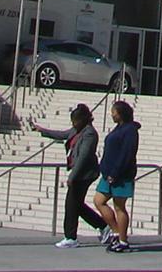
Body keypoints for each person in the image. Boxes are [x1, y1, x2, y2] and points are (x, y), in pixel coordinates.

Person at [31, 103, 105, 248]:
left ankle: (71, 237)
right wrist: (42, 130)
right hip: (79, 173)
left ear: (83, 119)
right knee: (76, 204)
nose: (73, 124)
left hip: (85, 174)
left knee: (71, 205)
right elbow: (62, 134)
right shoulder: (77, 130)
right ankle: (103, 226)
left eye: (75, 121)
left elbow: (84, 157)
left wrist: (73, 176)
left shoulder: (89, 133)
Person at [93, 100, 140, 253]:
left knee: (119, 207)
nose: (112, 114)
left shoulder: (130, 130)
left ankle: (123, 240)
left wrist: (115, 172)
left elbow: (127, 153)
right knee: (99, 201)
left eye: (114, 112)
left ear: (120, 114)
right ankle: (116, 231)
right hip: (108, 174)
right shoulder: (118, 128)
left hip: (121, 175)